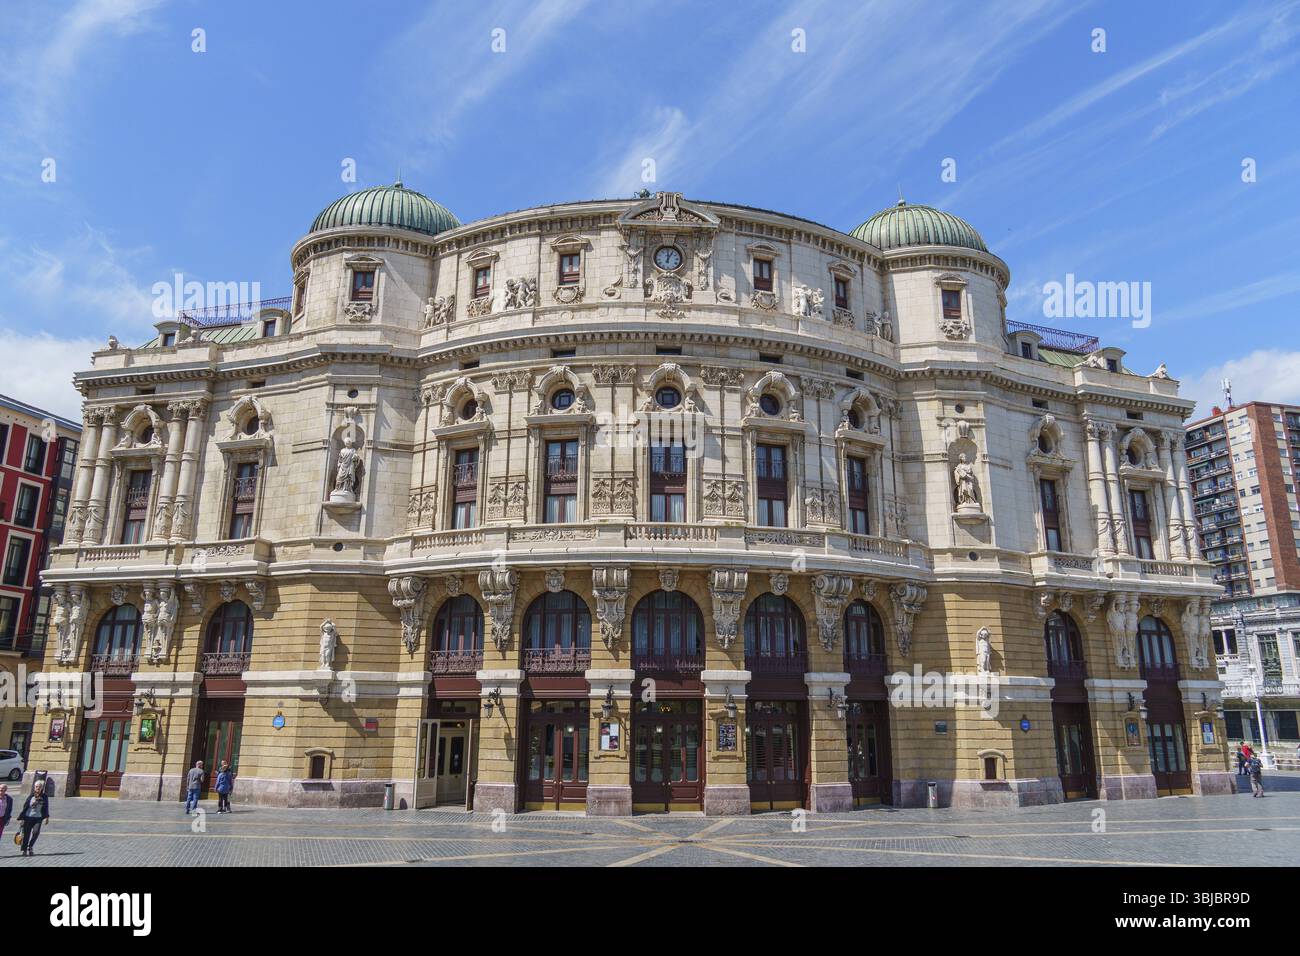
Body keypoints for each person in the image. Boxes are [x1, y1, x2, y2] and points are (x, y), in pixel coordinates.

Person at [19, 780, 49, 856]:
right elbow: (25, 807)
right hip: (28, 817)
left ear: (42, 788)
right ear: (34, 787)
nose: (38, 788)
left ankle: (30, 846)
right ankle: (24, 850)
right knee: (26, 834)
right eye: (36, 786)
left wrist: (47, 817)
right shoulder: (31, 796)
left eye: (39, 787)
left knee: (36, 832)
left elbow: (46, 807)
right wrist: (22, 818)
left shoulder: (44, 796)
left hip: (38, 818)